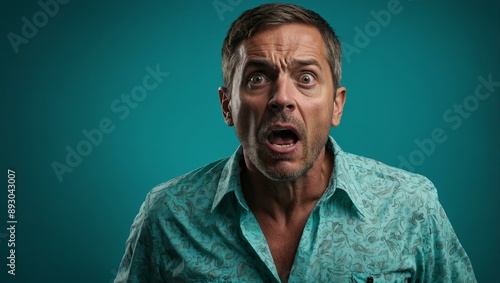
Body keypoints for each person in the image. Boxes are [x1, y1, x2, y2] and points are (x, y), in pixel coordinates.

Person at [115, 3, 476, 282]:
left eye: (306, 77)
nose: (282, 98)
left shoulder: (411, 206)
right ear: (228, 106)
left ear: (337, 104)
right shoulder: (168, 215)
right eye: (258, 77)